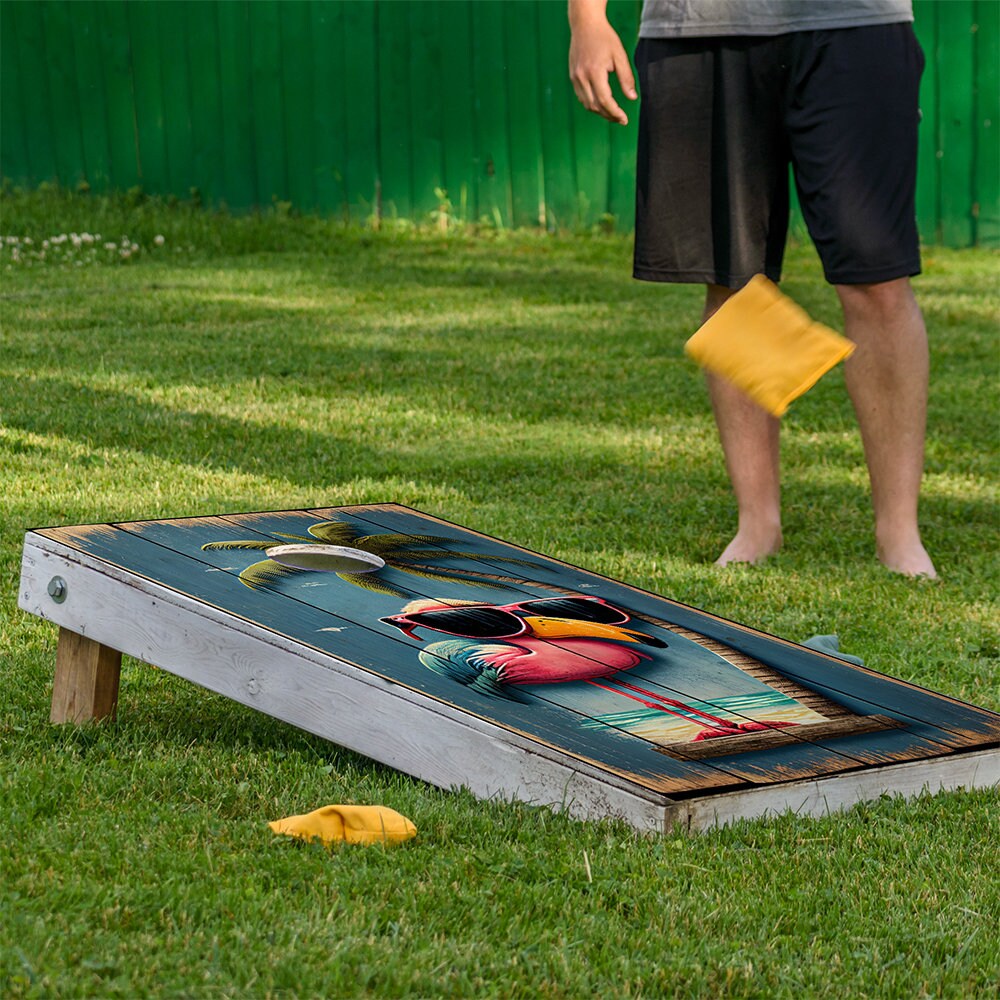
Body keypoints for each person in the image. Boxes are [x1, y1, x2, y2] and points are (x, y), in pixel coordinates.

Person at [568, 0, 937, 578]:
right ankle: (758, 524)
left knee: (877, 281)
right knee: (733, 280)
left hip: (855, 22)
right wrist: (587, 20)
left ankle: (899, 533)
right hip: (698, 27)